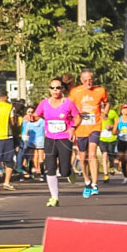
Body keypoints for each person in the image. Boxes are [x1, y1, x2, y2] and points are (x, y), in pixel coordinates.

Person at [34, 77, 81, 207]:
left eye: (58, 87)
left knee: (64, 171)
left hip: (64, 138)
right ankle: (54, 197)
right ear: (49, 90)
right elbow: (36, 115)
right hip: (50, 138)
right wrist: (31, 117)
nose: (55, 90)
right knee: (51, 168)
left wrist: (73, 128)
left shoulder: (68, 103)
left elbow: (77, 117)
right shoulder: (44, 103)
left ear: (63, 89)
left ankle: (69, 172)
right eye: (53, 88)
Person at [68, 69, 108, 198]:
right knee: (82, 157)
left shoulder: (100, 90)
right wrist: (72, 126)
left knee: (92, 154)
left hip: (95, 126)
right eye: (85, 80)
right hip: (80, 128)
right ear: (81, 80)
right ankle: (87, 181)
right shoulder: (75, 92)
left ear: (93, 79)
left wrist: (105, 112)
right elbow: (68, 108)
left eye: (90, 79)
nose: (88, 82)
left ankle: (95, 184)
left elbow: (106, 103)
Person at [97, 100, 118, 183]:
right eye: (100, 103)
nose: (102, 104)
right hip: (101, 138)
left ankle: (112, 166)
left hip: (111, 138)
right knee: (104, 155)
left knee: (111, 156)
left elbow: (117, 123)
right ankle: (106, 175)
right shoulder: (97, 113)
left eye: (104, 103)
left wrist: (111, 126)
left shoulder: (112, 112)